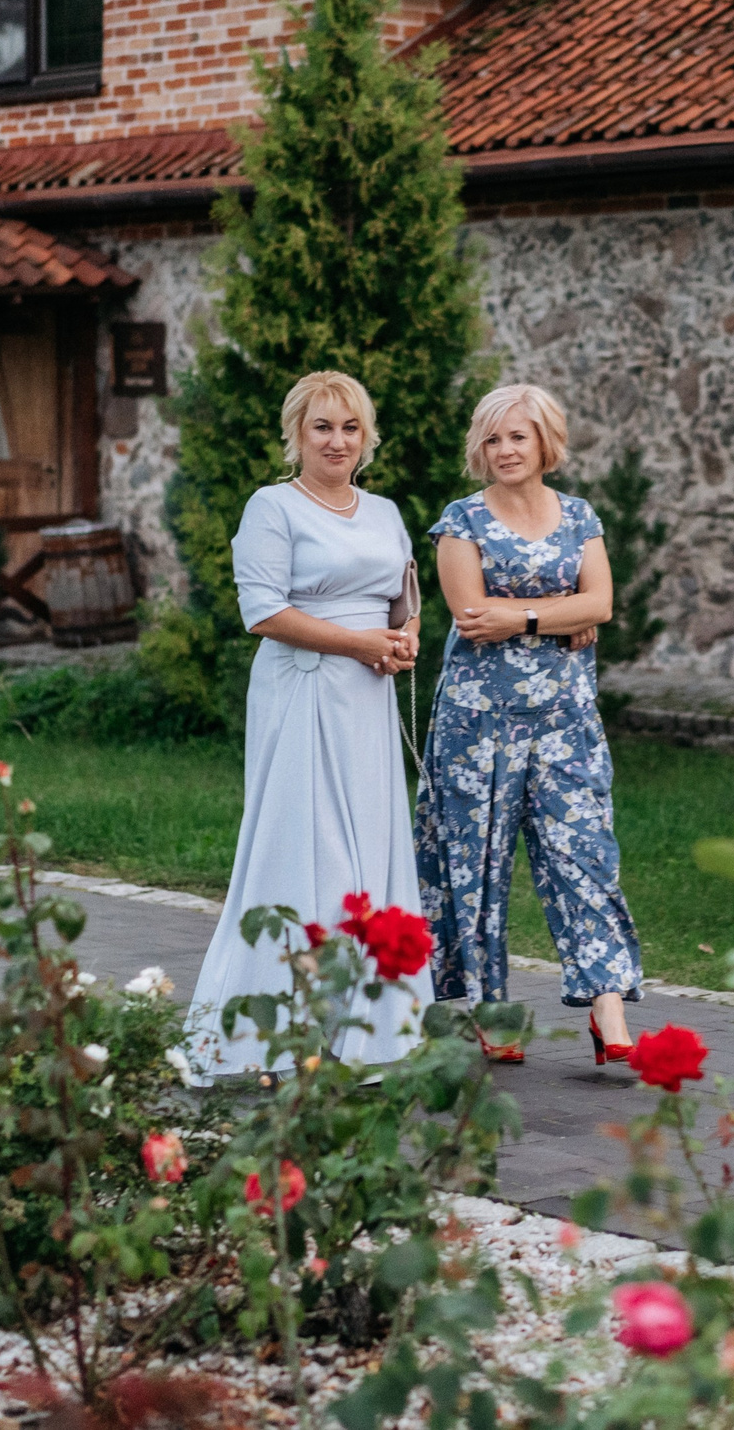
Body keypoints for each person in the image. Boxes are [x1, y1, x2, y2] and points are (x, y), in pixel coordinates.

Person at [183, 371, 428, 1078]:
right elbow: (261, 612)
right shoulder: (272, 508)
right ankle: (280, 1036)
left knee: (369, 852)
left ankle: (371, 1033)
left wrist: (404, 637)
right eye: (322, 426)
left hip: (369, 703)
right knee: (306, 850)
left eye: (350, 428)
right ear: (297, 434)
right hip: (304, 694)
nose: (337, 440)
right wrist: (360, 645)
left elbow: (400, 601)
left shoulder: (383, 512)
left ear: (366, 437)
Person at [416, 382, 645, 1068]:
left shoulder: (580, 516)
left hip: (566, 720)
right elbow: (471, 616)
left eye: (517, 436)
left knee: (585, 856)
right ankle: (493, 1009)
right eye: (492, 439)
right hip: (476, 725)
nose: (505, 449)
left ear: (546, 441)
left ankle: (608, 1005)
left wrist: (531, 615)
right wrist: (557, 611)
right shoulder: (461, 522)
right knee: (476, 868)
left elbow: (601, 603)